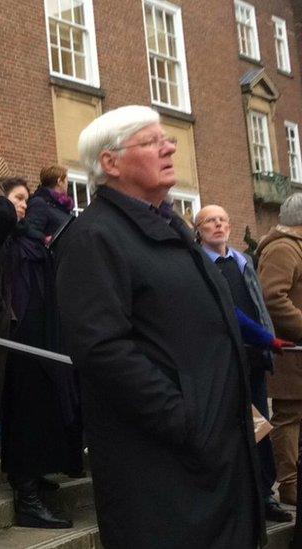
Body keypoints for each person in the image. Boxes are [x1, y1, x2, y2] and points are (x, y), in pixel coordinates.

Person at [56, 105, 263, 547]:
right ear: (110, 163)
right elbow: (102, 349)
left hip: (214, 460)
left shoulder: (172, 227)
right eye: (150, 142)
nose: (169, 147)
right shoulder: (95, 237)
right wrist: (185, 419)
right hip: (163, 468)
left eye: (166, 138)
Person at [0, 177, 77, 529]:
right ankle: (26, 497)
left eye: (27, 199)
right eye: (19, 198)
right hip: (14, 338)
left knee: (44, 408)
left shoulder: (28, 237)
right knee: (24, 413)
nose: (25, 205)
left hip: (42, 336)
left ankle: (37, 473)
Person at [194, 205, 292, 522]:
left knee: (260, 427)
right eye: (210, 221)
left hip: (253, 360)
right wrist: (267, 337)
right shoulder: (197, 265)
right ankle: (232, 498)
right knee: (226, 430)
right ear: (198, 229)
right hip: (220, 361)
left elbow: (258, 305)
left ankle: (264, 495)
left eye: (223, 219)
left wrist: (267, 340)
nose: (218, 225)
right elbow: (223, 313)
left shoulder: (244, 261)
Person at [258, 193, 302, 506]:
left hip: (297, 350)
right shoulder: (283, 248)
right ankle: (290, 486)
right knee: (289, 418)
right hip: (291, 353)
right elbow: (273, 298)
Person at [25, 165, 74, 244]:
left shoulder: (61, 206)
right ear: (59, 182)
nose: (68, 184)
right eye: (66, 181)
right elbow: (29, 231)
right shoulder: (39, 203)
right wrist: (44, 239)